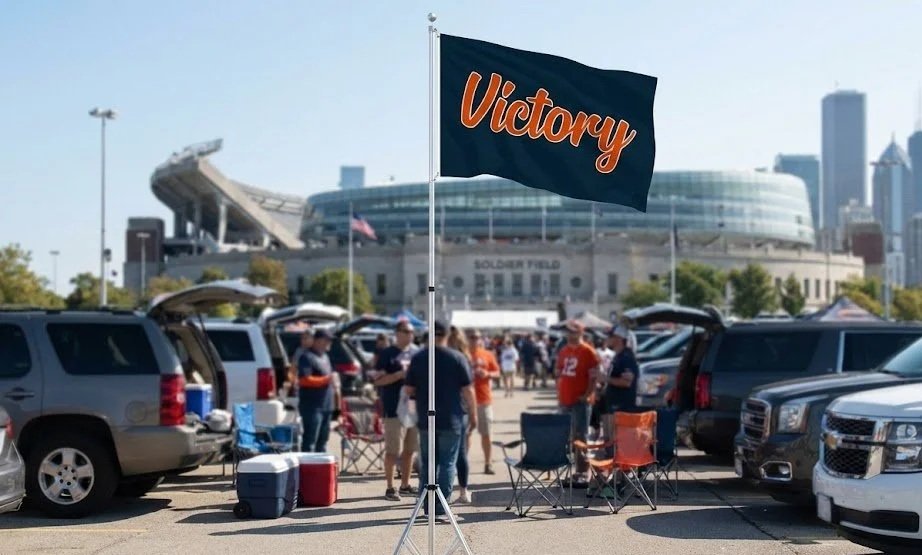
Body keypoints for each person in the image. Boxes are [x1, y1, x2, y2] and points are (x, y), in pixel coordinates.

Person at [404, 320, 477, 519]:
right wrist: (473, 414)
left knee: (428, 462)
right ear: (446, 336)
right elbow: (468, 390)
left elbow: (409, 389)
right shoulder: (457, 357)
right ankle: (441, 506)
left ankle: (426, 503)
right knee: (447, 463)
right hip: (452, 418)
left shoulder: (419, 358)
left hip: (427, 418)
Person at [369, 320, 419, 501]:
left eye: (412, 332)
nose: (410, 335)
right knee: (393, 450)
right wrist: (398, 375)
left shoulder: (417, 353)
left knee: (410, 449)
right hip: (393, 408)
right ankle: (390, 487)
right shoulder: (387, 354)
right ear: (397, 333)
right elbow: (377, 381)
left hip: (413, 407)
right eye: (406, 331)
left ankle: (405, 484)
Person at [555, 320, 601, 486]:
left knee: (580, 436)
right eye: (568, 332)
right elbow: (559, 372)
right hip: (565, 399)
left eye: (573, 332)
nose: (570, 335)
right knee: (566, 436)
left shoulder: (588, 351)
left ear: (581, 333)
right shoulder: (564, 350)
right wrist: (559, 390)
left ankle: (582, 471)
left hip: (580, 401)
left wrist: (587, 394)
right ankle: (572, 470)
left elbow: (594, 376)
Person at [601, 325, 640, 452]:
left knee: (621, 444)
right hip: (613, 405)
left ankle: (623, 470)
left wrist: (605, 379)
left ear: (619, 338)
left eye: (611, 336)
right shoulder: (618, 356)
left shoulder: (626, 358)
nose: (608, 339)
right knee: (612, 443)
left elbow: (626, 382)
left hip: (622, 406)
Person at [467, 328, 500, 475]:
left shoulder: (487, 354)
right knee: (466, 434)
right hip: (466, 401)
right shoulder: (463, 354)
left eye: (477, 337)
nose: (475, 339)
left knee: (486, 433)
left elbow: (497, 372)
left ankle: (488, 463)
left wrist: (487, 373)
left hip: (484, 399)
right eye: (472, 337)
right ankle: (464, 464)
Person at [298, 328, 337, 453]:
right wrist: (325, 380)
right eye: (327, 340)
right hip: (312, 407)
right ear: (318, 341)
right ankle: (306, 470)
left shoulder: (325, 356)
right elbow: (304, 379)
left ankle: (320, 470)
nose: (329, 343)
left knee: (323, 441)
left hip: (326, 406)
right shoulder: (307, 356)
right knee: (310, 441)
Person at [447, 326, 474, 503]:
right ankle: (463, 491)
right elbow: (468, 389)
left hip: (445, 407)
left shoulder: (441, 356)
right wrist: (473, 412)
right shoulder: (464, 358)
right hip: (460, 408)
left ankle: (443, 494)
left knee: (444, 455)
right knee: (460, 452)